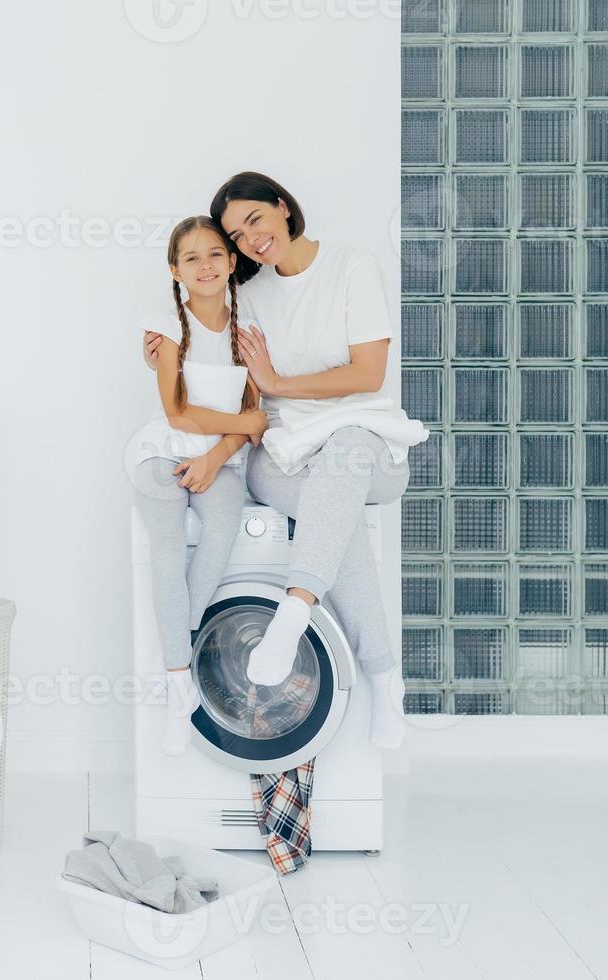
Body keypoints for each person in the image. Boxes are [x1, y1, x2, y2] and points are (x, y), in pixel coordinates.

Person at [144, 173, 427, 749]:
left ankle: (295, 610)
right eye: (236, 235)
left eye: (254, 220)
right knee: (332, 516)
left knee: (343, 456)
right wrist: (160, 357)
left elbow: (367, 375)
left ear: (281, 206)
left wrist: (278, 380)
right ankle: (384, 677)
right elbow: (212, 346)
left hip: (366, 446)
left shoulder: (352, 266)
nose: (250, 239)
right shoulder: (252, 295)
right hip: (289, 455)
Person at [128, 215, 267, 755]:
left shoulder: (248, 326)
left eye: (215, 254)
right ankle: (177, 680)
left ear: (233, 262)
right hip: (161, 452)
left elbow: (255, 408)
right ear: (175, 270)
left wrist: (217, 458)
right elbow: (178, 413)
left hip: (222, 461)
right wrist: (244, 427)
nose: (205, 266)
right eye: (191, 258)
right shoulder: (166, 329)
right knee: (167, 554)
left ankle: (179, 646)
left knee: (221, 532)